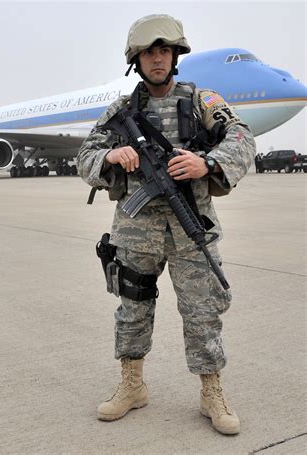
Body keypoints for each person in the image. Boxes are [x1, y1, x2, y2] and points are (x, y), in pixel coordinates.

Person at [76, 14, 255, 435]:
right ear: (135, 61)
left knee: (203, 312)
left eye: (164, 51)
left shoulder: (202, 101)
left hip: (193, 226)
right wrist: (109, 158)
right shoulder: (121, 111)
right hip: (136, 229)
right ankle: (132, 385)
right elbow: (85, 156)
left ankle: (212, 392)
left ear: (175, 56)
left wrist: (206, 162)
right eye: (148, 53)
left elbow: (242, 138)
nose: (157, 59)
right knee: (133, 309)